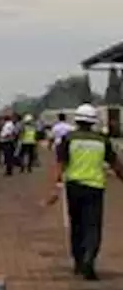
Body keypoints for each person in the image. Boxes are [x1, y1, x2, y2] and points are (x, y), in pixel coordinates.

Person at [46, 103, 123, 280]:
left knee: (77, 225)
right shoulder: (102, 140)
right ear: (93, 121)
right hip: (95, 188)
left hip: (74, 186)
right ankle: (90, 258)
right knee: (93, 227)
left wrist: (56, 187)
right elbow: (116, 165)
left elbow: (60, 164)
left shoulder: (69, 138)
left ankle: (79, 262)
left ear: (77, 120)